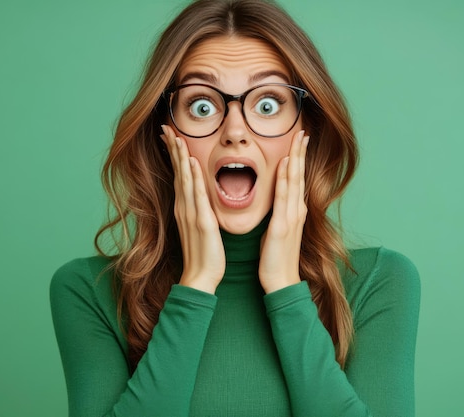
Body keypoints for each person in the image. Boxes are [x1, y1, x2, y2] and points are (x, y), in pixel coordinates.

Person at [50, 0, 421, 416]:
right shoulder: (88, 291)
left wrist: (283, 284)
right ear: (164, 132)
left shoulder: (378, 282)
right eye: (202, 106)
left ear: (305, 128)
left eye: (267, 104)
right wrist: (196, 284)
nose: (235, 133)